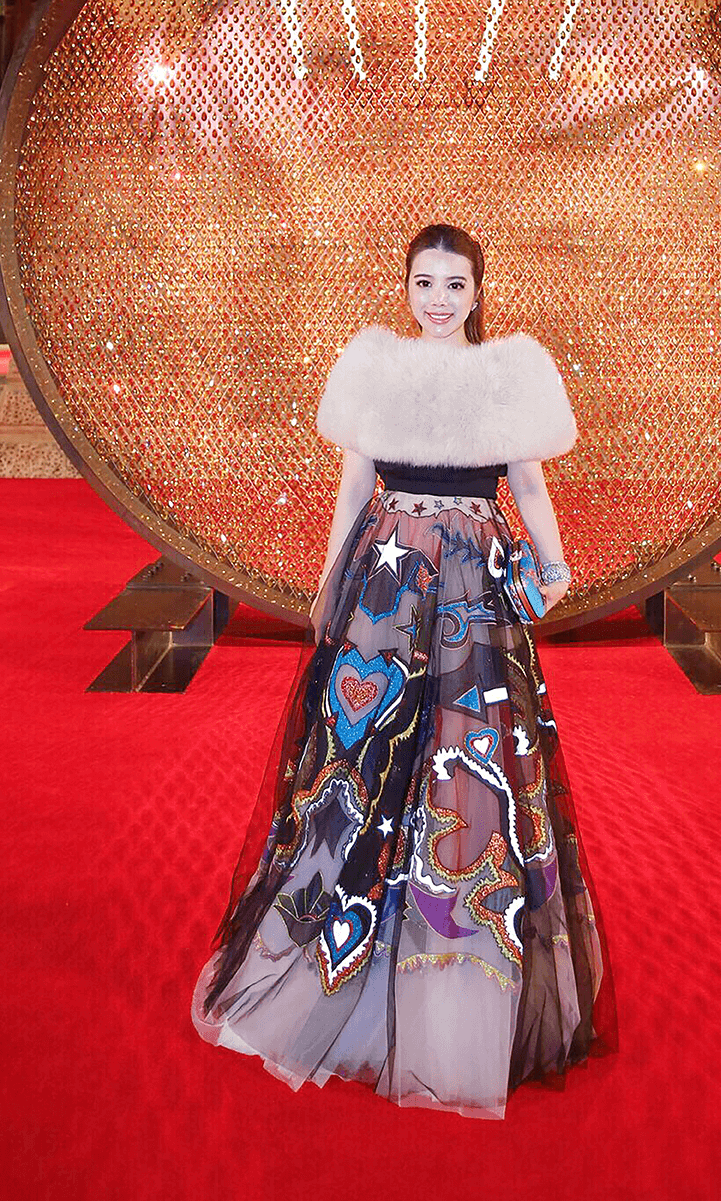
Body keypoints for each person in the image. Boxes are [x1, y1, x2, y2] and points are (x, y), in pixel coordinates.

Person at [192, 222, 614, 1116]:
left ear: (477, 292)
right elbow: (353, 487)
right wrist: (327, 575)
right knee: (367, 760)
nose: (437, 299)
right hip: (386, 581)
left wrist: (557, 565)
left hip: (474, 587)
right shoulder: (374, 370)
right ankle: (344, 956)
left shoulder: (509, 376)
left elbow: (529, 488)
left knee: (475, 766)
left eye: (455, 284)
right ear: (407, 286)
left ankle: (462, 985)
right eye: (425, 281)